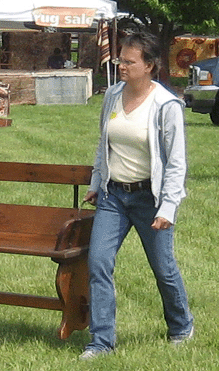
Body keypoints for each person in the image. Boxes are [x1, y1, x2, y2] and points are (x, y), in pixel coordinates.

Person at [80, 32, 194, 359]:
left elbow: (176, 162)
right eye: (120, 60)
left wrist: (168, 208)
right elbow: (105, 145)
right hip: (113, 197)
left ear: (150, 66)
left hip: (150, 199)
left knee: (163, 268)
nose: (121, 67)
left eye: (129, 62)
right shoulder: (113, 95)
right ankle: (101, 342)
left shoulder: (166, 105)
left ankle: (181, 325)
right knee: (98, 262)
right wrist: (95, 182)